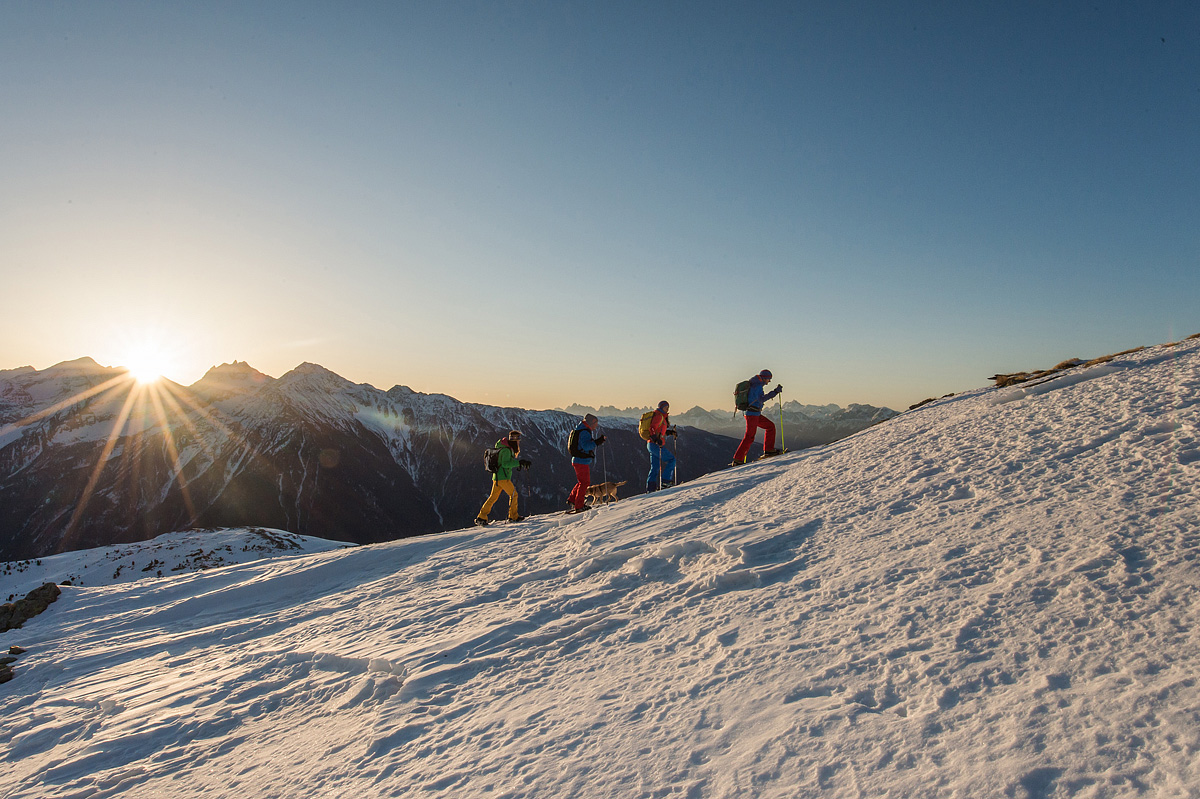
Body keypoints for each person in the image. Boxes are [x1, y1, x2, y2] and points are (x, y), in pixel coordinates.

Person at [475, 430, 532, 526]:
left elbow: (505, 463)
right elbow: (505, 464)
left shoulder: (504, 448)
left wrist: (518, 463)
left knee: (492, 497)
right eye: (518, 440)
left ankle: (481, 517)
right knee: (514, 495)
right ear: (515, 441)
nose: (519, 442)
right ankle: (513, 516)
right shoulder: (506, 450)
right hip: (503, 478)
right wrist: (519, 463)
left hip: (497, 477)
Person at [733, 369, 784, 464]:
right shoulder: (757, 386)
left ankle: (769, 450)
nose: (769, 381)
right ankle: (738, 459)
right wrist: (775, 392)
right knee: (750, 436)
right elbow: (761, 399)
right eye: (769, 379)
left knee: (770, 426)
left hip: (753, 413)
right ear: (765, 378)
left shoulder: (755, 384)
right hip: (752, 414)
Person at [567, 413, 606, 513]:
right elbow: (586, 446)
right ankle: (579, 505)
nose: (596, 426)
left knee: (581, 482)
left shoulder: (581, 429)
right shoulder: (584, 432)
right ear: (591, 422)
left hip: (578, 460)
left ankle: (573, 500)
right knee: (585, 483)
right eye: (595, 424)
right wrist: (598, 442)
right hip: (581, 461)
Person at [644, 400, 677, 492]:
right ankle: (666, 481)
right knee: (671, 459)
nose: (667, 409)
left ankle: (651, 488)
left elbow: (659, 431)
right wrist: (656, 439)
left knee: (655, 467)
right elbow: (652, 428)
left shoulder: (661, 416)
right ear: (661, 407)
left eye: (668, 407)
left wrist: (670, 432)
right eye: (666, 407)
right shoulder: (659, 416)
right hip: (655, 444)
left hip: (651, 444)